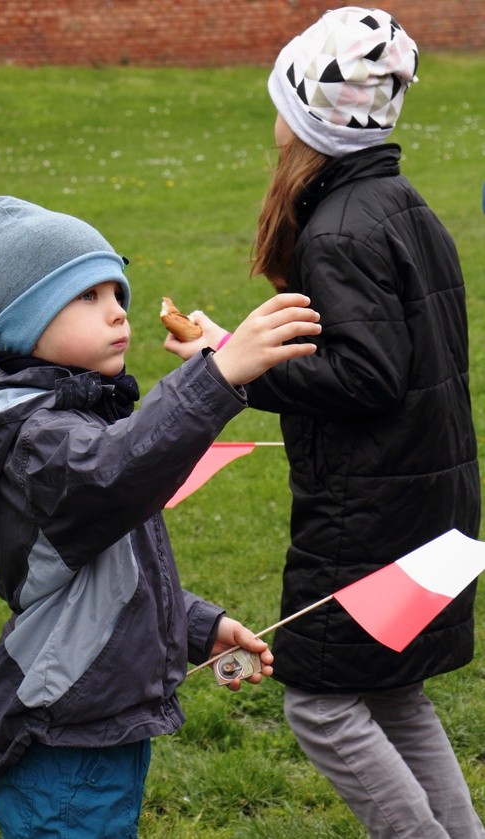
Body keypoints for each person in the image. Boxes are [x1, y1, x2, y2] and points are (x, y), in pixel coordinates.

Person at [164, 7, 484, 838]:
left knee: (316, 704)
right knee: (388, 691)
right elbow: (385, 357)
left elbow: (365, 374)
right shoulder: (397, 204)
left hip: (367, 517)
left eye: (280, 95)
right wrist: (231, 347)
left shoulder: (338, 229)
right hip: (423, 501)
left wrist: (239, 368)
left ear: (310, 114)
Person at [0, 195, 321, 838]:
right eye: (86, 297)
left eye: (115, 291)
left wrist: (199, 624)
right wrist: (218, 375)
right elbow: (122, 469)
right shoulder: (42, 441)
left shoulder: (79, 420)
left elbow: (110, 576)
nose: (117, 310)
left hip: (91, 723)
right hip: (59, 737)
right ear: (24, 323)